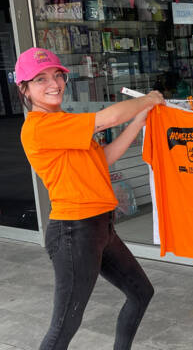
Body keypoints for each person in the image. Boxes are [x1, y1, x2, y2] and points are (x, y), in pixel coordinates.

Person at [14, 47, 165, 350]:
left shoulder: (65, 123)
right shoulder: (39, 127)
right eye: (40, 79)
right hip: (73, 231)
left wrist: (139, 121)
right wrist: (147, 99)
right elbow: (104, 120)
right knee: (65, 326)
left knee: (140, 292)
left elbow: (104, 158)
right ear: (25, 90)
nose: (54, 83)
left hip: (100, 228)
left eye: (57, 75)